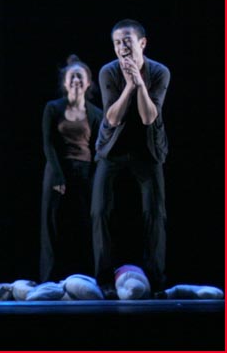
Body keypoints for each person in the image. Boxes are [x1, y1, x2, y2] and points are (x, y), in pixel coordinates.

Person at [91, 19, 170, 296]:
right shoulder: (108, 71)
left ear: (142, 43)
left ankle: (156, 282)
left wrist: (140, 84)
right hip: (112, 149)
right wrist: (128, 86)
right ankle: (104, 281)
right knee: (100, 211)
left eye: (127, 41)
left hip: (147, 150)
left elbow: (149, 117)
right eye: (116, 43)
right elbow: (112, 118)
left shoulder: (159, 72)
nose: (121, 47)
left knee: (155, 213)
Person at [39, 55, 103, 283]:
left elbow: (98, 148)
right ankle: (49, 280)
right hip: (58, 171)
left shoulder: (96, 113)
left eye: (80, 77)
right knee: (53, 226)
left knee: (85, 224)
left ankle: (88, 278)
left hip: (84, 172)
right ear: (65, 83)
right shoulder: (53, 108)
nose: (76, 80)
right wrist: (58, 175)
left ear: (88, 83)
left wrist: (95, 178)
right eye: (72, 76)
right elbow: (48, 143)